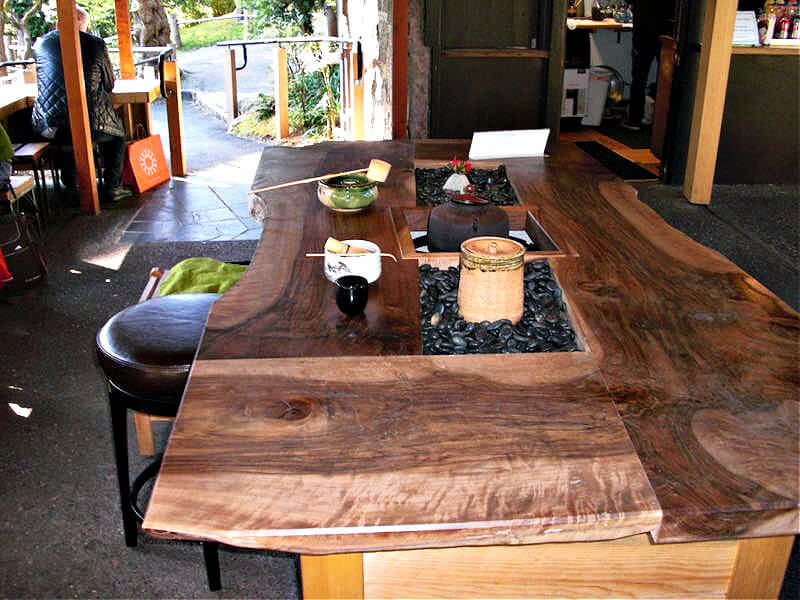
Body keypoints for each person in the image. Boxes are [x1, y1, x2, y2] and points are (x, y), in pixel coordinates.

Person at [31, 6, 133, 204]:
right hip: (92, 124)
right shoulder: (95, 44)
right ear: (80, 23)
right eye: (85, 25)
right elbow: (109, 84)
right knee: (117, 136)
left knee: (65, 136)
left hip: (47, 125)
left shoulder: (41, 44)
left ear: (58, 23)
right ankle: (112, 187)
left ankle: (71, 186)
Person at [623, 0, 677, 130]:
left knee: (639, 79)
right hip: (666, 32)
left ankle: (635, 120)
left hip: (644, 31)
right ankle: (663, 122)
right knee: (666, 80)